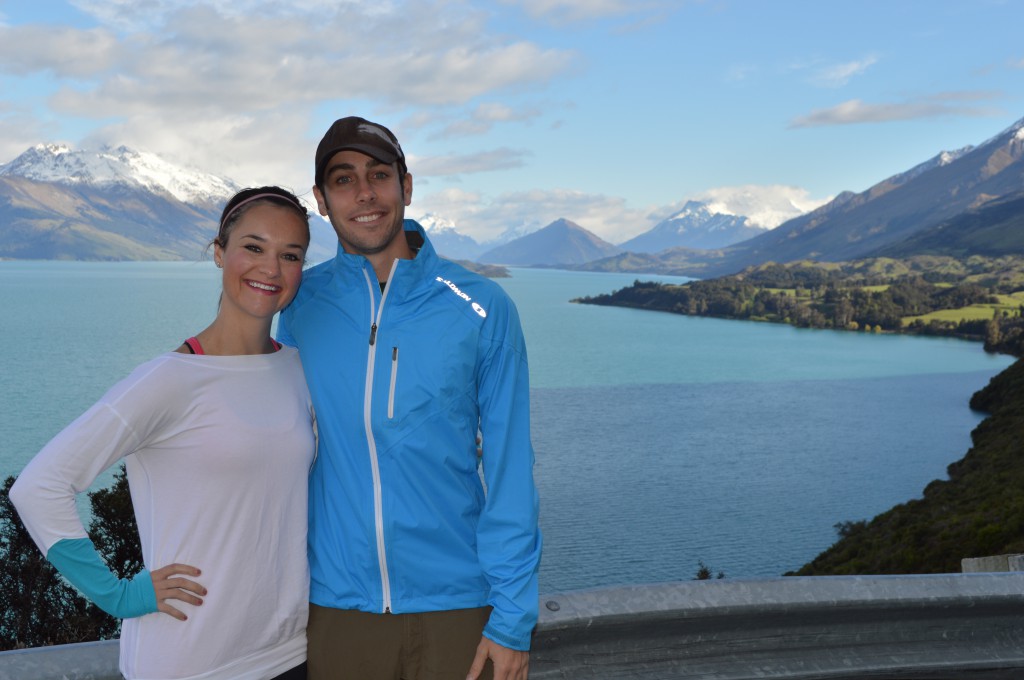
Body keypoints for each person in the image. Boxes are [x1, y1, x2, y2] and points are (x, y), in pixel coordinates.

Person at [10, 186, 316, 680]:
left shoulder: (298, 369)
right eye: (253, 248)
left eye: (291, 255)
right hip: (190, 662)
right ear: (220, 253)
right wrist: (117, 594)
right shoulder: (169, 379)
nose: (271, 269)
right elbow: (39, 487)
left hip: (288, 654)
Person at [277, 116, 542, 680]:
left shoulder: (481, 307)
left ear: (407, 185)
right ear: (322, 201)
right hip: (336, 610)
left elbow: (511, 468)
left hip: (460, 607)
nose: (365, 193)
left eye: (379, 174)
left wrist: (513, 617)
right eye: (344, 179)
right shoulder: (300, 305)